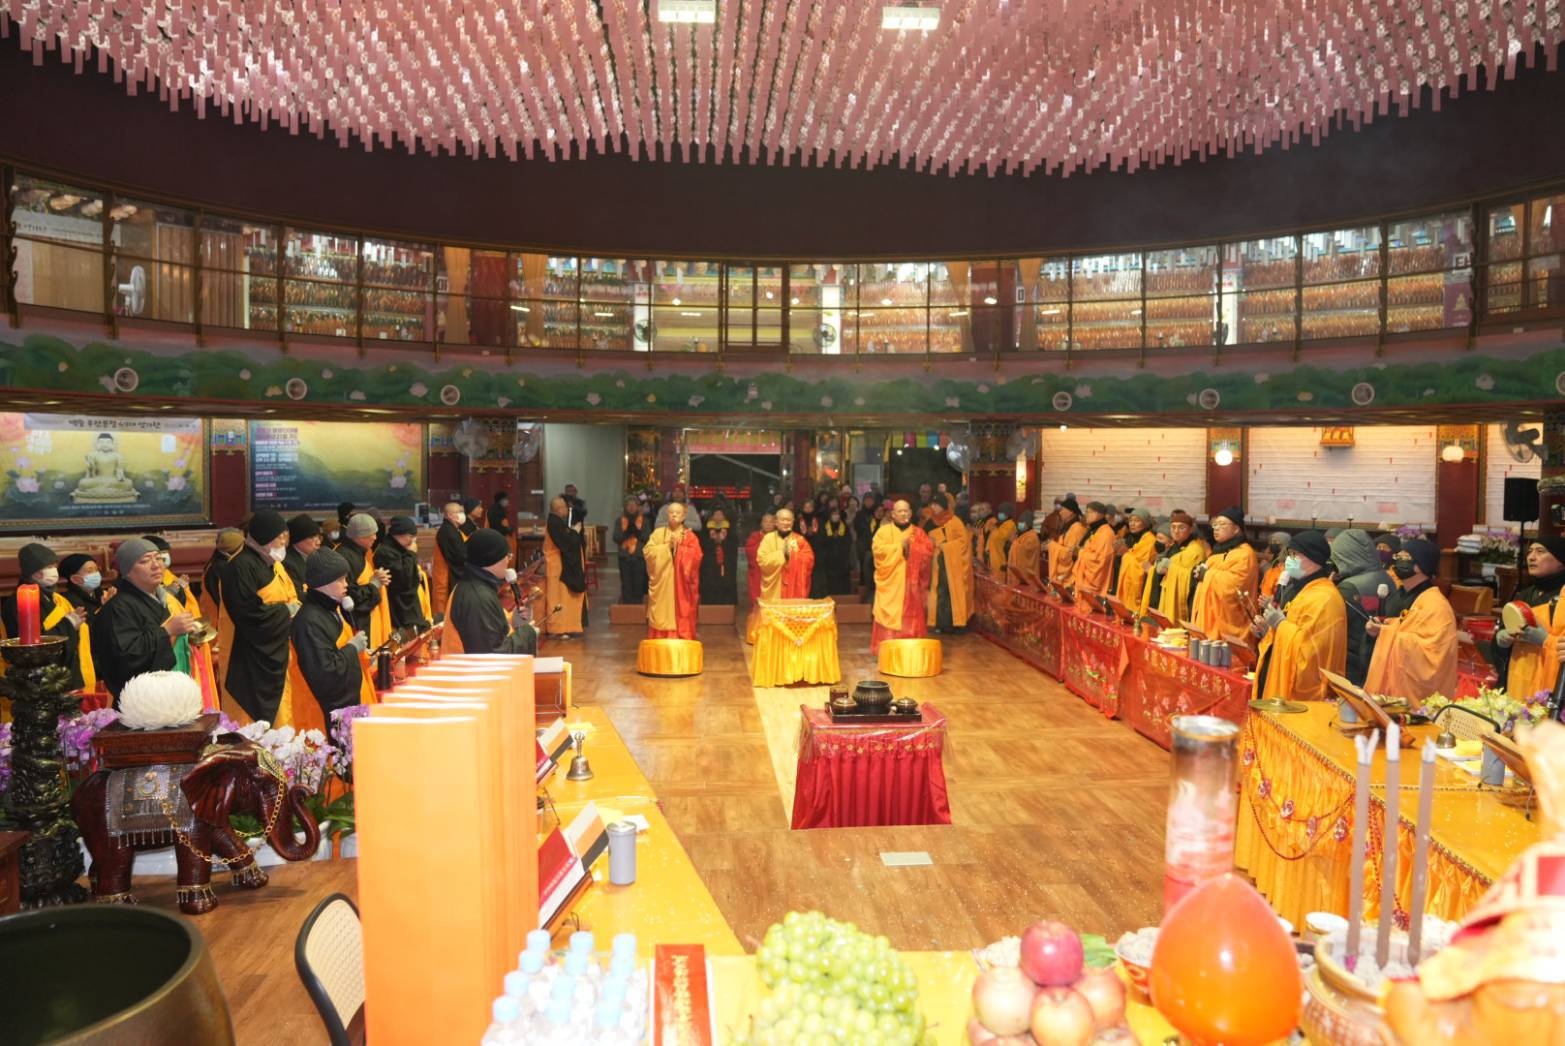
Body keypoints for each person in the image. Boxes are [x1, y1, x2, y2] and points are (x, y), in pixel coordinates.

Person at [221, 511, 299, 724]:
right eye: (280, 537)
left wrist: (293, 608)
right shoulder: (239, 567)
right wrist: (286, 612)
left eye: (285, 536)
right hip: (248, 657)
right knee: (250, 725)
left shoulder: (273, 563)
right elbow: (248, 614)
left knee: (282, 719)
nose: (284, 542)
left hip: (276, 652)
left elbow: (290, 597)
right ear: (265, 537)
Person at [1251, 530, 1348, 702]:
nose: (1289, 560)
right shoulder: (1299, 589)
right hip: (1278, 675)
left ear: (1314, 559)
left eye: (1295, 555)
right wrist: (1268, 631)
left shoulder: (1325, 599)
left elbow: (1311, 655)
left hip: (1302, 696)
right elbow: (1292, 632)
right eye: (1289, 554)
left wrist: (1280, 625)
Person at [90, 538, 192, 700]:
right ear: (128, 571)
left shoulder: (164, 599)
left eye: (159, 558)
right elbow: (125, 657)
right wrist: (167, 631)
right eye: (145, 561)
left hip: (172, 691)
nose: (156, 565)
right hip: (140, 701)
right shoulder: (118, 608)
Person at [288, 549, 374, 732]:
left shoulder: (331, 609)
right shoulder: (309, 621)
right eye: (340, 579)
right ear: (323, 583)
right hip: (321, 714)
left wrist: (362, 655)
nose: (346, 584)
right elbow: (325, 672)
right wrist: (352, 648)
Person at [1365, 538, 1459, 704]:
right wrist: (1374, 632)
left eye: (1404, 557)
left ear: (1420, 565)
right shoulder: (1395, 597)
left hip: (1417, 703)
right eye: (1397, 556)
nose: (1397, 561)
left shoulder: (1437, 606)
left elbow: (1434, 657)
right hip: (1386, 689)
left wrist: (1388, 632)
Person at [2, 542, 93, 690]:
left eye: (55, 566)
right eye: (49, 567)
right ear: (34, 572)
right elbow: (33, 645)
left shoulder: (56, 598)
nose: (54, 571)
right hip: (45, 682)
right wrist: (68, 624)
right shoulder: (20, 601)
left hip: (67, 673)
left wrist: (73, 625)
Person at [443, 529, 536, 654]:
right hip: (468, 667)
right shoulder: (478, 598)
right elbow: (492, 653)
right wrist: (527, 633)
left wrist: (513, 622)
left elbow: (488, 632)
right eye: (506, 556)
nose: (508, 560)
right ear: (492, 559)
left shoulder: (474, 586)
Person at [1497, 535, 1565, 700]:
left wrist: (1545, 640)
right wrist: (1502, 640)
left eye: (1540, 551)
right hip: (1519, 682)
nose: (1531, 557)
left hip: (1551, 689)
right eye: (1530, 552)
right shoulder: (1524, 594)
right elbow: (1504, 630)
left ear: (1561, 560)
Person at [1331, 530, 1394, 685]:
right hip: (1379, 654)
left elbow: (1333, 626)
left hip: (1352, 661)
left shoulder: (1349, 587)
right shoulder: (1387, 577)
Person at [871, 500, 935, 652]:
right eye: (899, 511)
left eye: (906, 511)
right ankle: (888, 649)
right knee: (890, 616)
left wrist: (915, 548)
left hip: (911, 584)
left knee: (911, 615)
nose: (903, 514)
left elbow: (927, 553)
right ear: (893, 514)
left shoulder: (918, 533)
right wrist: (900, 547)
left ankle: (910, 649)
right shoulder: (883, 532)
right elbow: (878, 551)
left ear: (911, 513)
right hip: (891, 584)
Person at [1190, 507, 1259, 641]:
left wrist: (1207, 575)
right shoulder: (1218, 553)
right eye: (1215, 524)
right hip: (1209, 619)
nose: (1216, 528)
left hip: (1230, 625)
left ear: (1236, 528)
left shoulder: (1245, 554)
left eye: (1222, 524)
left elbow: (1234, 586)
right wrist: (1199, 573)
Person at [644, 501, 703, 640]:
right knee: (661, 611)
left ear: (683, 516)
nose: (674, 515)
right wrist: (667, 548)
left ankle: (681, 637)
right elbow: (648, 552)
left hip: (681, 585)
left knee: (683, 609)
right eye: (671, 512)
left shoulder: (689, 536)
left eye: (678, 513)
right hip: (663, 583)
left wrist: (680, 550)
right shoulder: (658, 533)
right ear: (667, 515)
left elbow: (697, 557)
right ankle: (660, 637)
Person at [1144, 509, 1209, 625]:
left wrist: (1170, 569)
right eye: (1173, 527)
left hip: (1179, 604)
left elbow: (1191, 579)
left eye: (1181, 527)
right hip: (1166, 594)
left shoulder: (1195, 550)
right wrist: (1155, 569)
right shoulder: (1174, 547)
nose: (1176, 531)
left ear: (1191, 529)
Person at [338, 513, 392, 650]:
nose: (375, 537)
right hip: (359, 627)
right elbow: (348, 597)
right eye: (371, 534)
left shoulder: (359, 554)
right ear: (359, 536)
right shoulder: (345, 557)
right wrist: (374, 585)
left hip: (370, 622)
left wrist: (376, 579)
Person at [377, 516, 433, 632]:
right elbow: (404, 579)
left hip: (409, 605)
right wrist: (411, 553)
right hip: (399, 608)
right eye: (411, 536)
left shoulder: (400, 547)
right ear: (401, 534)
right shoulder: (385, 552)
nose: (413, 540)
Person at [543, 495, 588, 637]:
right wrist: (574, 531)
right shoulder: (554, 523)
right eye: (565, 508)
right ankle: (558, 628)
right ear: (559, 509)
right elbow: (566, 543)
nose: (568, 511)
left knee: (564, 598)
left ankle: (566, 627)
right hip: (558, 567)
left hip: (560, 565)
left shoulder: (556, 521)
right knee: (559, 598)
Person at [142, 535, 202, 620]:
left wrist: (181, 589)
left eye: (167, 552)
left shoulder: (168, 574)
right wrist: (168, 592)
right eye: (162, 553)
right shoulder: (144, 577)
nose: (166, 556)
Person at [1070, 501, 1118, 600]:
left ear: (1098, 514)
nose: (1086, 515)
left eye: (1088, 512)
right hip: (1083, 580)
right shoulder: (1094, 530)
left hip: (1094, 585)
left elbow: (1100, 561)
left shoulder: (1106, 534)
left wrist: (1080, 553)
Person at [431, 499, 469, 615]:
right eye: (459, 512)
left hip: (449, 574)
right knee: (444, 610)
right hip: (446, 577)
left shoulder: (453, 530)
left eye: (462, 511)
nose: (462, 514)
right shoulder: (447, 532)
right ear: (449, 515)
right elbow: (459, 557)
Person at [1115, 509, 1157, 607]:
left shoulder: (1150, 540)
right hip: (1128, 583)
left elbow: (1142, 565)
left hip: (1141, 586)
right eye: (1130, 521)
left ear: (1146, 523)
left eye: (1137, 521)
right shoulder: (1131, 538)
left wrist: (1125, 555)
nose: (1132, 524)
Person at [698, 508, 740, 605]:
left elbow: (734, 545)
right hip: (710, 563)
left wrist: (723, 541)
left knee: (726, 581)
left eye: (720, 514)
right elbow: (702, 545)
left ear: (724, 516)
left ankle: (727, 605)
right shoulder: (705, 529)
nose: (718, 517)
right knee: (709, 581)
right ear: (712, 517)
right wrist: (713, 541)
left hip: (726, 563)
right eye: (715, 514)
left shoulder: (730, 529)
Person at [613, 497, 650, 604]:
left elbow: (648, 538)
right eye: (629, 505)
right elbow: (616, 538)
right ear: (625, 507)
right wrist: (626, 533)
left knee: (639, 582)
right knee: (626, 582)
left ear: (638, 507)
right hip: (624, 556)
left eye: (634, 505)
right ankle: (627, 605)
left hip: (639, 556)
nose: (631, 507)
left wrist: (638, 533)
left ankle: (638, 605)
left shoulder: (645, 521)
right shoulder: (619, 521)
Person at [1047, 496, 1088, 584]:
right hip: (1064, 574)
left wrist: (1052, 546)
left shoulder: (1077, 528)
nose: (1060, 512)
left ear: (1071, 512)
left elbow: (1069, 555)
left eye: (1063, 509)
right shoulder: (1069, 527)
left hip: (1070, 576)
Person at [59, 552, 107, 621]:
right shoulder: (69, 601)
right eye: (89, 571)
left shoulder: (102, 593)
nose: (96, 574)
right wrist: (105, 609)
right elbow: (87, 624)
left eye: (96, 570)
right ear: (75, 579)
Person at [819, 504, 854, 596]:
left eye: (837, 514)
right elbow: (821, 541)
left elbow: (849, 540)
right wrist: (832, 539)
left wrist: (839, 538)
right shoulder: (824, 526)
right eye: (834, 514)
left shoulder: (844, 526)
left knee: (843, 582)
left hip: (842, 559)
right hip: (829, 559)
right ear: (830, 515)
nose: (836, 516)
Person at [282, 513, 321, 593]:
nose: (318, 542)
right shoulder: (288, 564)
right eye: (312, 537)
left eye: (318, 537)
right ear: (298, 540)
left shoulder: (317, 557)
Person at [1006, 512, 1043, 589]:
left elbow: (1024, 550)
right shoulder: (1022, 534)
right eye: (1019, 522)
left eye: (1022, 522)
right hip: (1018, 573)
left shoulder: (1032, 536)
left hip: (1027, 574)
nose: (1020, 524)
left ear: (1028, 524)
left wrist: (1014, 542)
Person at [985, 503, 1017, 575]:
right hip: (994, 557)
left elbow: (999, 537)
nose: (999, 514)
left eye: (1002, 512)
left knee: (999, 577)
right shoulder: (1000, 524)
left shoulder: (1010, 524)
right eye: (999, 512)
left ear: (1007, 514)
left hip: (1001, 559)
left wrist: (993, 529)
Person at [1259, 533, 1290, 600]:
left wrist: (1264, 566)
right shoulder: (1276, 556)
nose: (1272, 545)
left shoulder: (1285, 560)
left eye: (1275, 542)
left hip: (1272, 598)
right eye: (1271, 543)